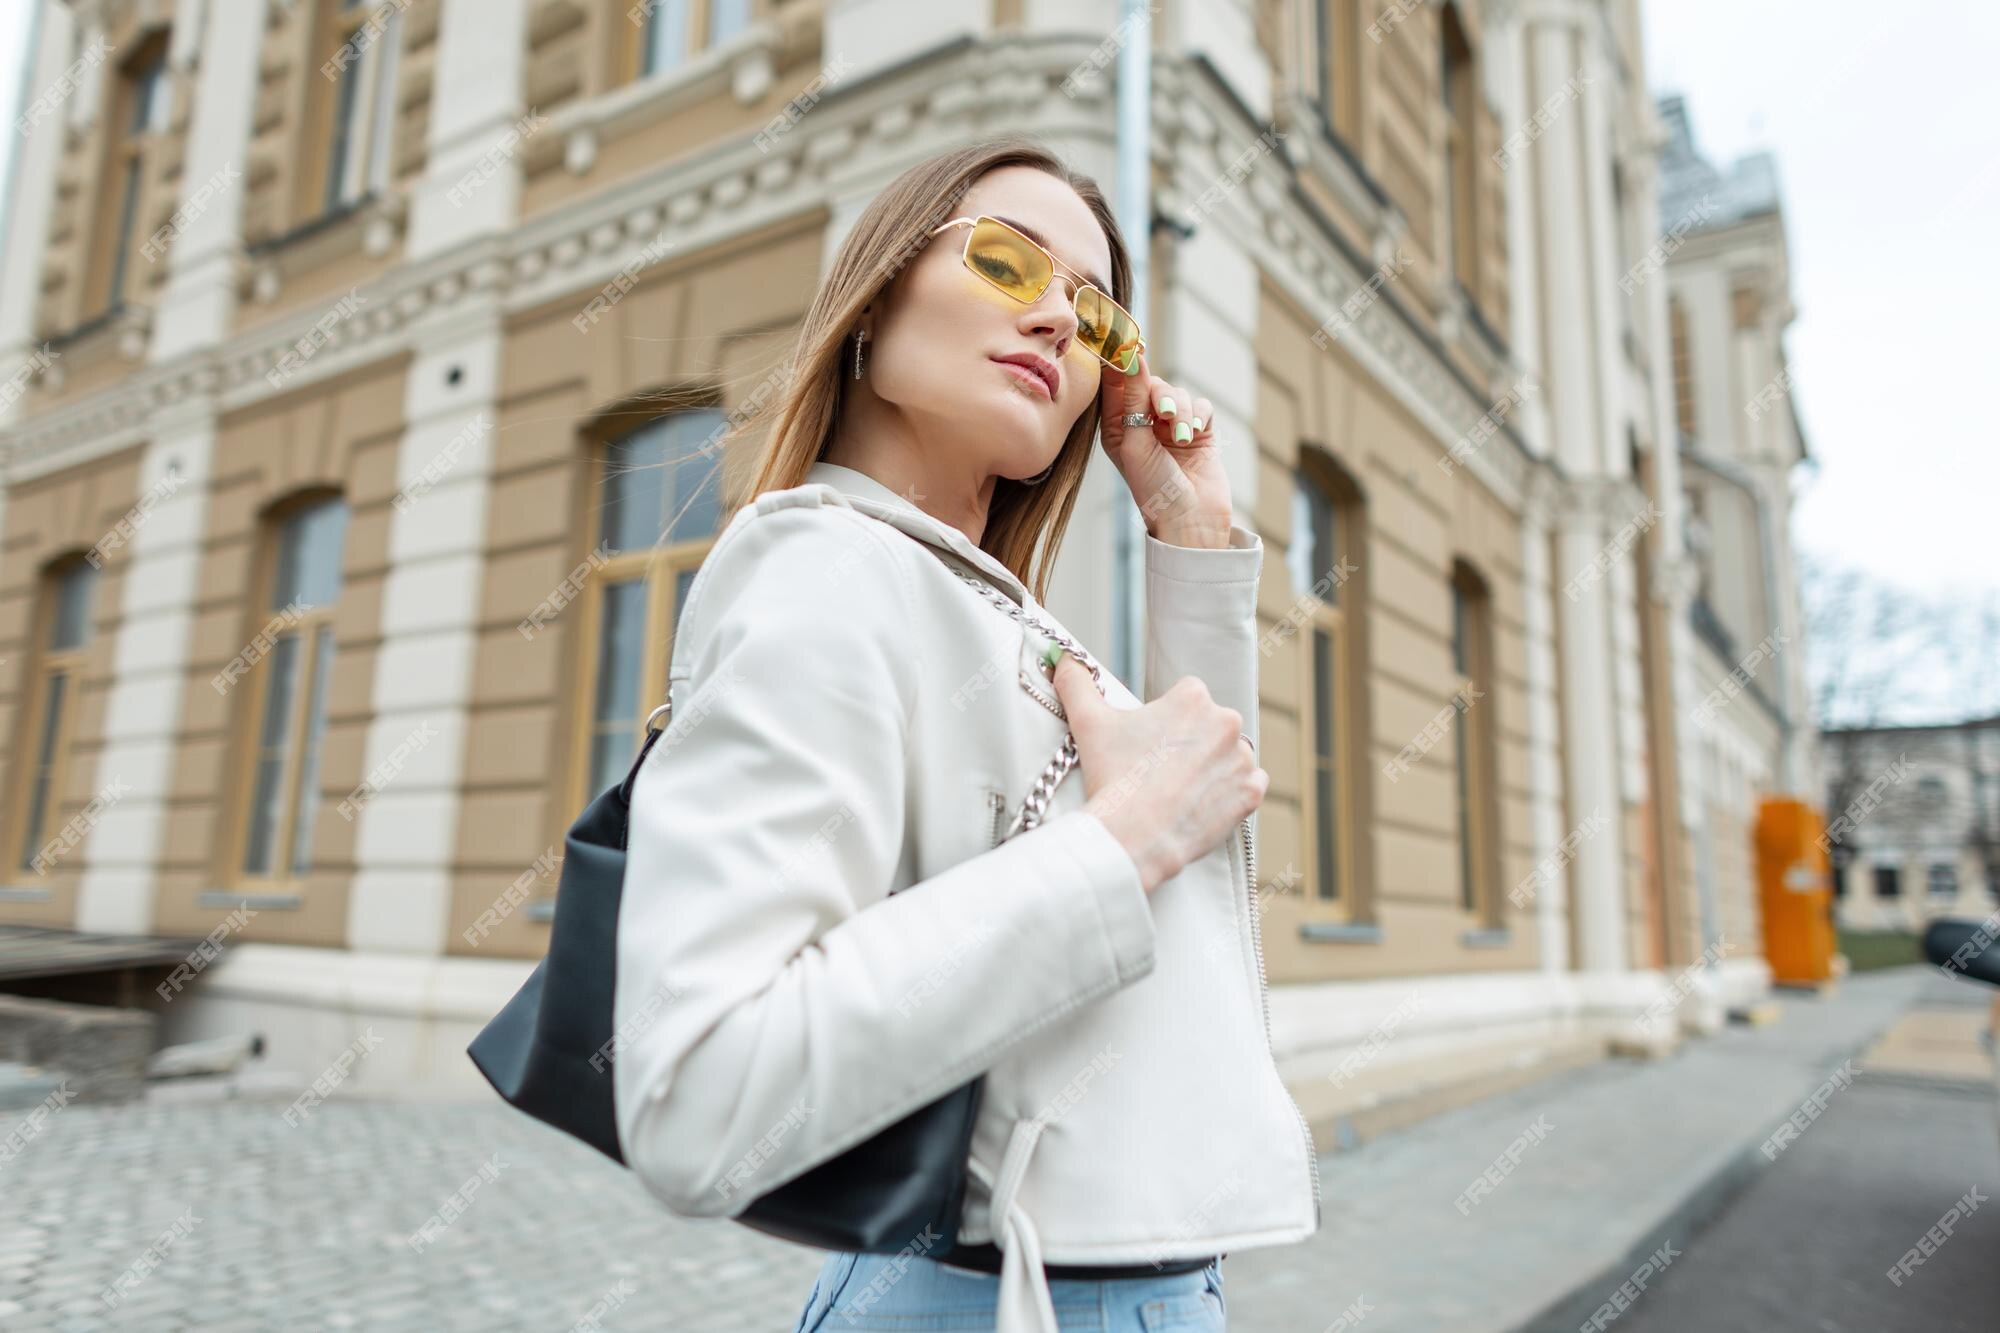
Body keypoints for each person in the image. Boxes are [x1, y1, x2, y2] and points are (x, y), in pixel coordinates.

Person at [611, 135, 1320, 1333]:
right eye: (1005, 261)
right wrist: (1118, 842)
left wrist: (1191, 544)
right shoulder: (823, 566)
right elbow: (702, 1100)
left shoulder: (988, 610)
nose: (1058, 320)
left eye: (1096, 315)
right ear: (877, 296)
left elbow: (1189, 909)